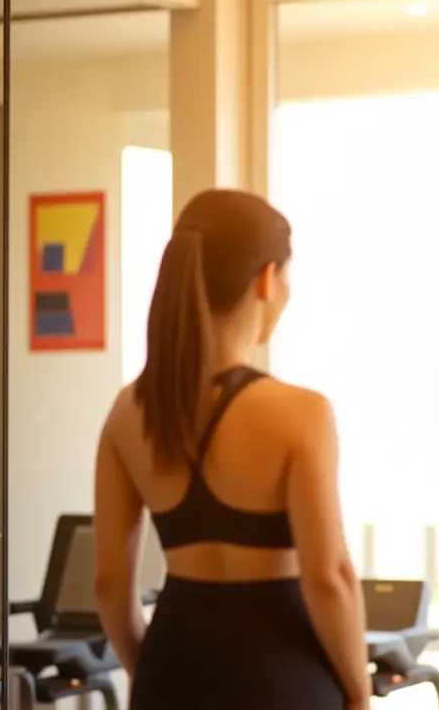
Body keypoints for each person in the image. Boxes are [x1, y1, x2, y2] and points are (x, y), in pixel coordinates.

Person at [92, 189, 371, 710]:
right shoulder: (300, 412)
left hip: (170, 671)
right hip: (283, 679)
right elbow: (329, 578)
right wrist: (359, 695)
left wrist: (149, 670)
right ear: (267, 278)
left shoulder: (127, 413)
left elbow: (109, 584)